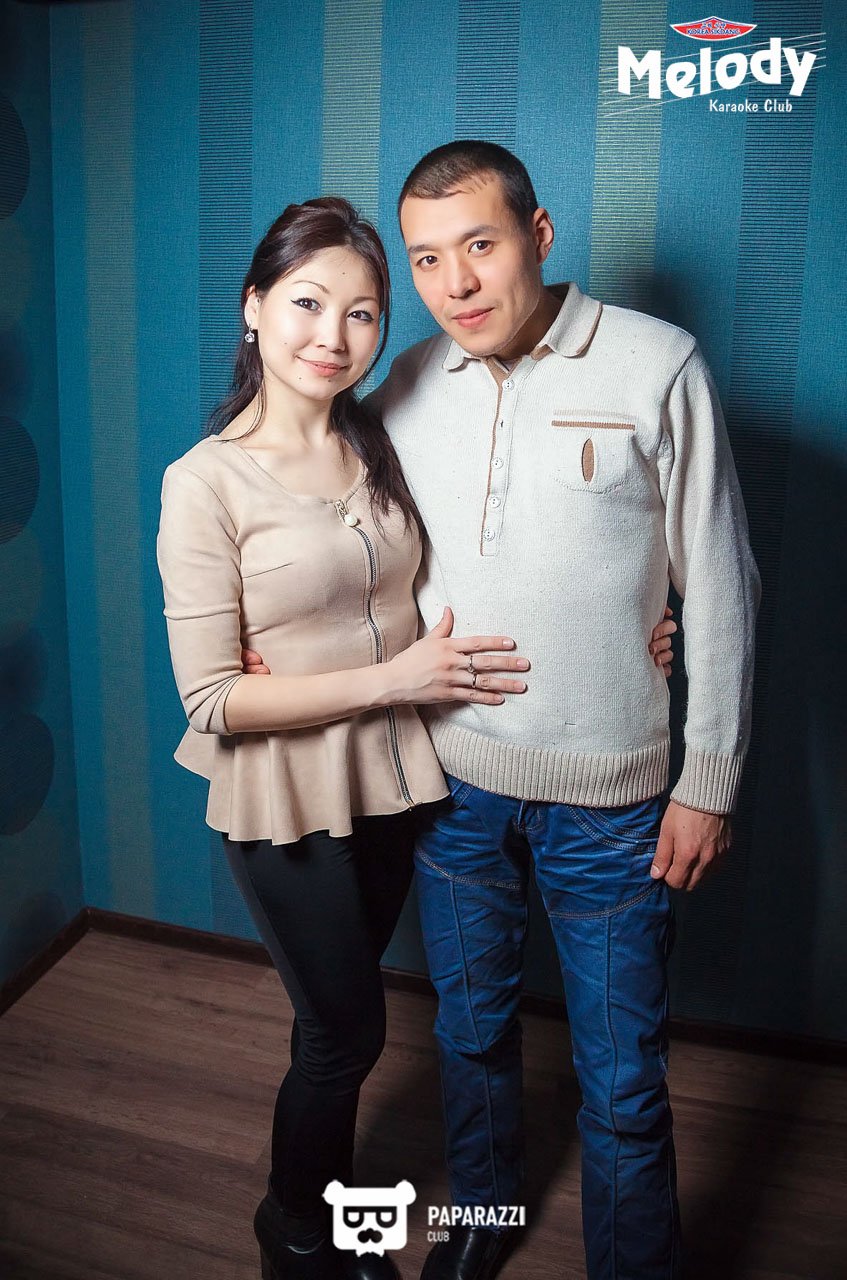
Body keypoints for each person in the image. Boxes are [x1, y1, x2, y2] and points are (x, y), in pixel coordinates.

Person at [246, 140, 759, 1280]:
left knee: (621, 1081)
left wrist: (707, 777)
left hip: (613, 799)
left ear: (538, 235)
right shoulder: (405, 383)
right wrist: (259, 632)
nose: (455, 283)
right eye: (427, 258)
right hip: (453, 787)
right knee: (470, 1038)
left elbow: (722, 579)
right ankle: (479, 1226)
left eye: (479, 245)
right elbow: (333, 535)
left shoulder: (656, 364)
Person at [157, 196, 677, 1280]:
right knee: (343, 1032)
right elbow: (210, 698)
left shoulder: (382, 431)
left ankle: (332, 1208)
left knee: (352, 1027)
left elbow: (511, 537)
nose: (332, 335)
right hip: (287, 791)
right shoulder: (203, 481)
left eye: (361, 312)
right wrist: (386, 679)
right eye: (307, 303)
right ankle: (294, 1228)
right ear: (254, 307)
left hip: (399, 777)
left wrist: (640, 615)